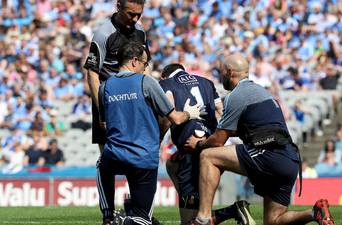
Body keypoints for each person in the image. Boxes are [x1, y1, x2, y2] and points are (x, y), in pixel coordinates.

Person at [186, 54, 334, 225]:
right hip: (290, 159)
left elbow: (219, 140)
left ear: (229, 72)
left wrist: (199, 144)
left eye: (221, 72)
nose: (221, 76)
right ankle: (315, 212)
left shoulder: (237, 95)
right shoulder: (263, 92)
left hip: (269, 154)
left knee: (208, 156)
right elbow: (250, 130)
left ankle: (202, 219)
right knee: (273, 221)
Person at [97, 42, 202, 225]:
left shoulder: (104, 87)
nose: (146, 68)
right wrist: (189, 113)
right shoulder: (146, 82)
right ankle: (123, 221)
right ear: (135, 61)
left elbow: (104, 123)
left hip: (115, 155)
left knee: (101, 165)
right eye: (145, 64)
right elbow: (175, 118)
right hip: (143, 158)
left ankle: (108, 216)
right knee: (144, 219)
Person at [159, 64, 254, 225]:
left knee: (190, 221)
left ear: (163, 75)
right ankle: (207, 208)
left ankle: (232, 210)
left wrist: (158, 138)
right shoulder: (206, 82)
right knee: (172, 164)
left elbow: (167, 116)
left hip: (190, 145)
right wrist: (217, 138)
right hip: (209, 144)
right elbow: (220, 110)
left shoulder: (166, 84)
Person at [84, 0, 150, 153]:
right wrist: (102, 109)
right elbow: (92, 73)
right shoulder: (103, 34)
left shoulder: (140, 31)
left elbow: (145, 66)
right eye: (130, 14)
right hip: (109, 101)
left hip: (133, 100)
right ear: (118, 7)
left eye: (138, 14)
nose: (134, 19)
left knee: (136, 153)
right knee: (108, 157)